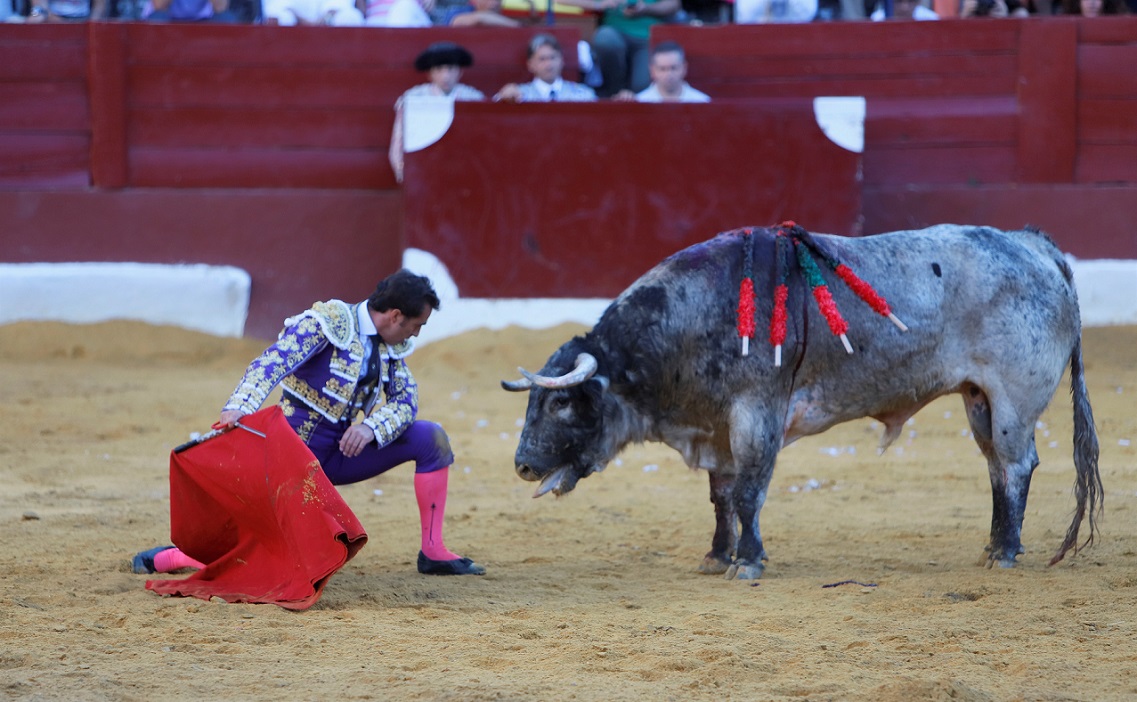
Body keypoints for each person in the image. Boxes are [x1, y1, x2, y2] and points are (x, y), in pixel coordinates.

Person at [134, 270, 485, 578]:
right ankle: (175, 557)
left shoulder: (391, 347)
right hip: (291, 458)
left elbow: (405, 401)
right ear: (395, 316)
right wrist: (239, 406)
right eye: (417, 325)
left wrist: (370, 428)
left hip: (341, 454)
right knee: (275, 551)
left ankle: (434, 551)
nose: (416, 334)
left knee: (430, 438)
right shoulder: (328, 322)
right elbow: (274, 361)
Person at [389, 42, 484, 183]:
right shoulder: (414, 98)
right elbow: (398, 140)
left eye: (451, 69)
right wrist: (403, 172)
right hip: (425, 169)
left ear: (460, 72)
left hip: (463, 168)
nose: (445, 76)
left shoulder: (473, 98)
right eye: (439, 69)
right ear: (429, 74)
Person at [557, 0, 678, 98]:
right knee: (605, 38)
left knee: (641, 86)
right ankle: (614, 95)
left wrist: (646, 8)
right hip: (614, 33)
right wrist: (598, 4)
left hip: (647, 37)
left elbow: (673, 4)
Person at [493, 33, 597, 103]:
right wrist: (502, 98)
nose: (549, 64)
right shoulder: (518, 95)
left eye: (553, 58)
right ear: (530, 64)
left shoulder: (583, 95)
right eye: (542, 59)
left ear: (561, 61)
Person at [613, 41, 710, 103]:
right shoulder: (639, 102)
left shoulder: (702, 101)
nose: (668, 74)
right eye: (662, 69)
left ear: (684, 68)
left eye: (673, 68)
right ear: (652, 71)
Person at [263, 0, 363, 24]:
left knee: (351, 17)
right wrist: (301, 20)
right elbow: (277, 6)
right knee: (279, 18)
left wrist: (325, 19)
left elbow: (339, 5)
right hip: (293, 20)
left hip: (328, 22)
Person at [141, 0, 239, 19]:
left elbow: (220, 8)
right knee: (157, 18)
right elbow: (159, 6)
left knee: (226, 18)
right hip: (171, 18)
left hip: (204, 19)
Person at [24, 0, 108, 20]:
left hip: (84, 20)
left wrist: (91, 23)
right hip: (51, 19)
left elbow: (100, 7)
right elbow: (39, 8)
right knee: (35, 18)